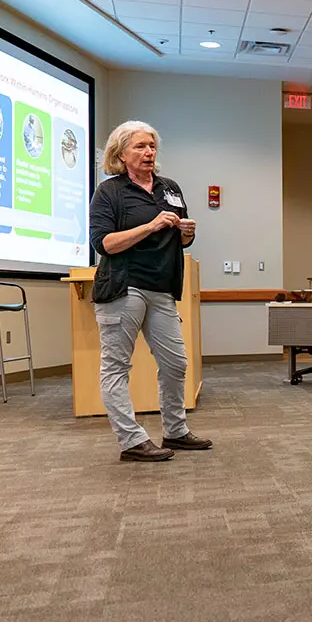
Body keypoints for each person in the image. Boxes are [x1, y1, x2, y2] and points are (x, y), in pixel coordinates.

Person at [87, 121, 211, 462]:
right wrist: (151, 225)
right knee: (116, 366)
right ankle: (131, 440)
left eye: (152, 146)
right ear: (121, 154)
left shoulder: (169, 188)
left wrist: (186, 233)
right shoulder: (110, 192)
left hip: (162, 287)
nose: (149, 152)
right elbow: (104, 243)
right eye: (140, 146)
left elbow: (181, 238)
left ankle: (176, 430)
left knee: (175, 363)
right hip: (124, 286)